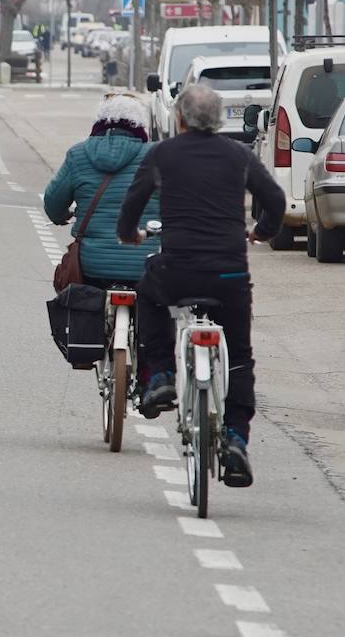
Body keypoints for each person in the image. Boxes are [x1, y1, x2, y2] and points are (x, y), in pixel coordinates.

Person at [117, 83, 286, 488]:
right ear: (218, 120)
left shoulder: (162, 154)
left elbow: (132, 206)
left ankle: (159, 377)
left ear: (179, 119)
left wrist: (130, 235)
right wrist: (261, 232)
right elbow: (276, 200)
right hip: (229, 274)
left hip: (177, 268)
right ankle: (236, 441)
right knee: (241, 356)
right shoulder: (239, 156)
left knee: (148, 294)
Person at [44, 93, 160, 291]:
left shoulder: (78, 154)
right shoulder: (158, 155)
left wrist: (63, 216)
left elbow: (53, 203)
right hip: (146, 263)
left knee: (84, 309)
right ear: (140, 125)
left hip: (92, 264)